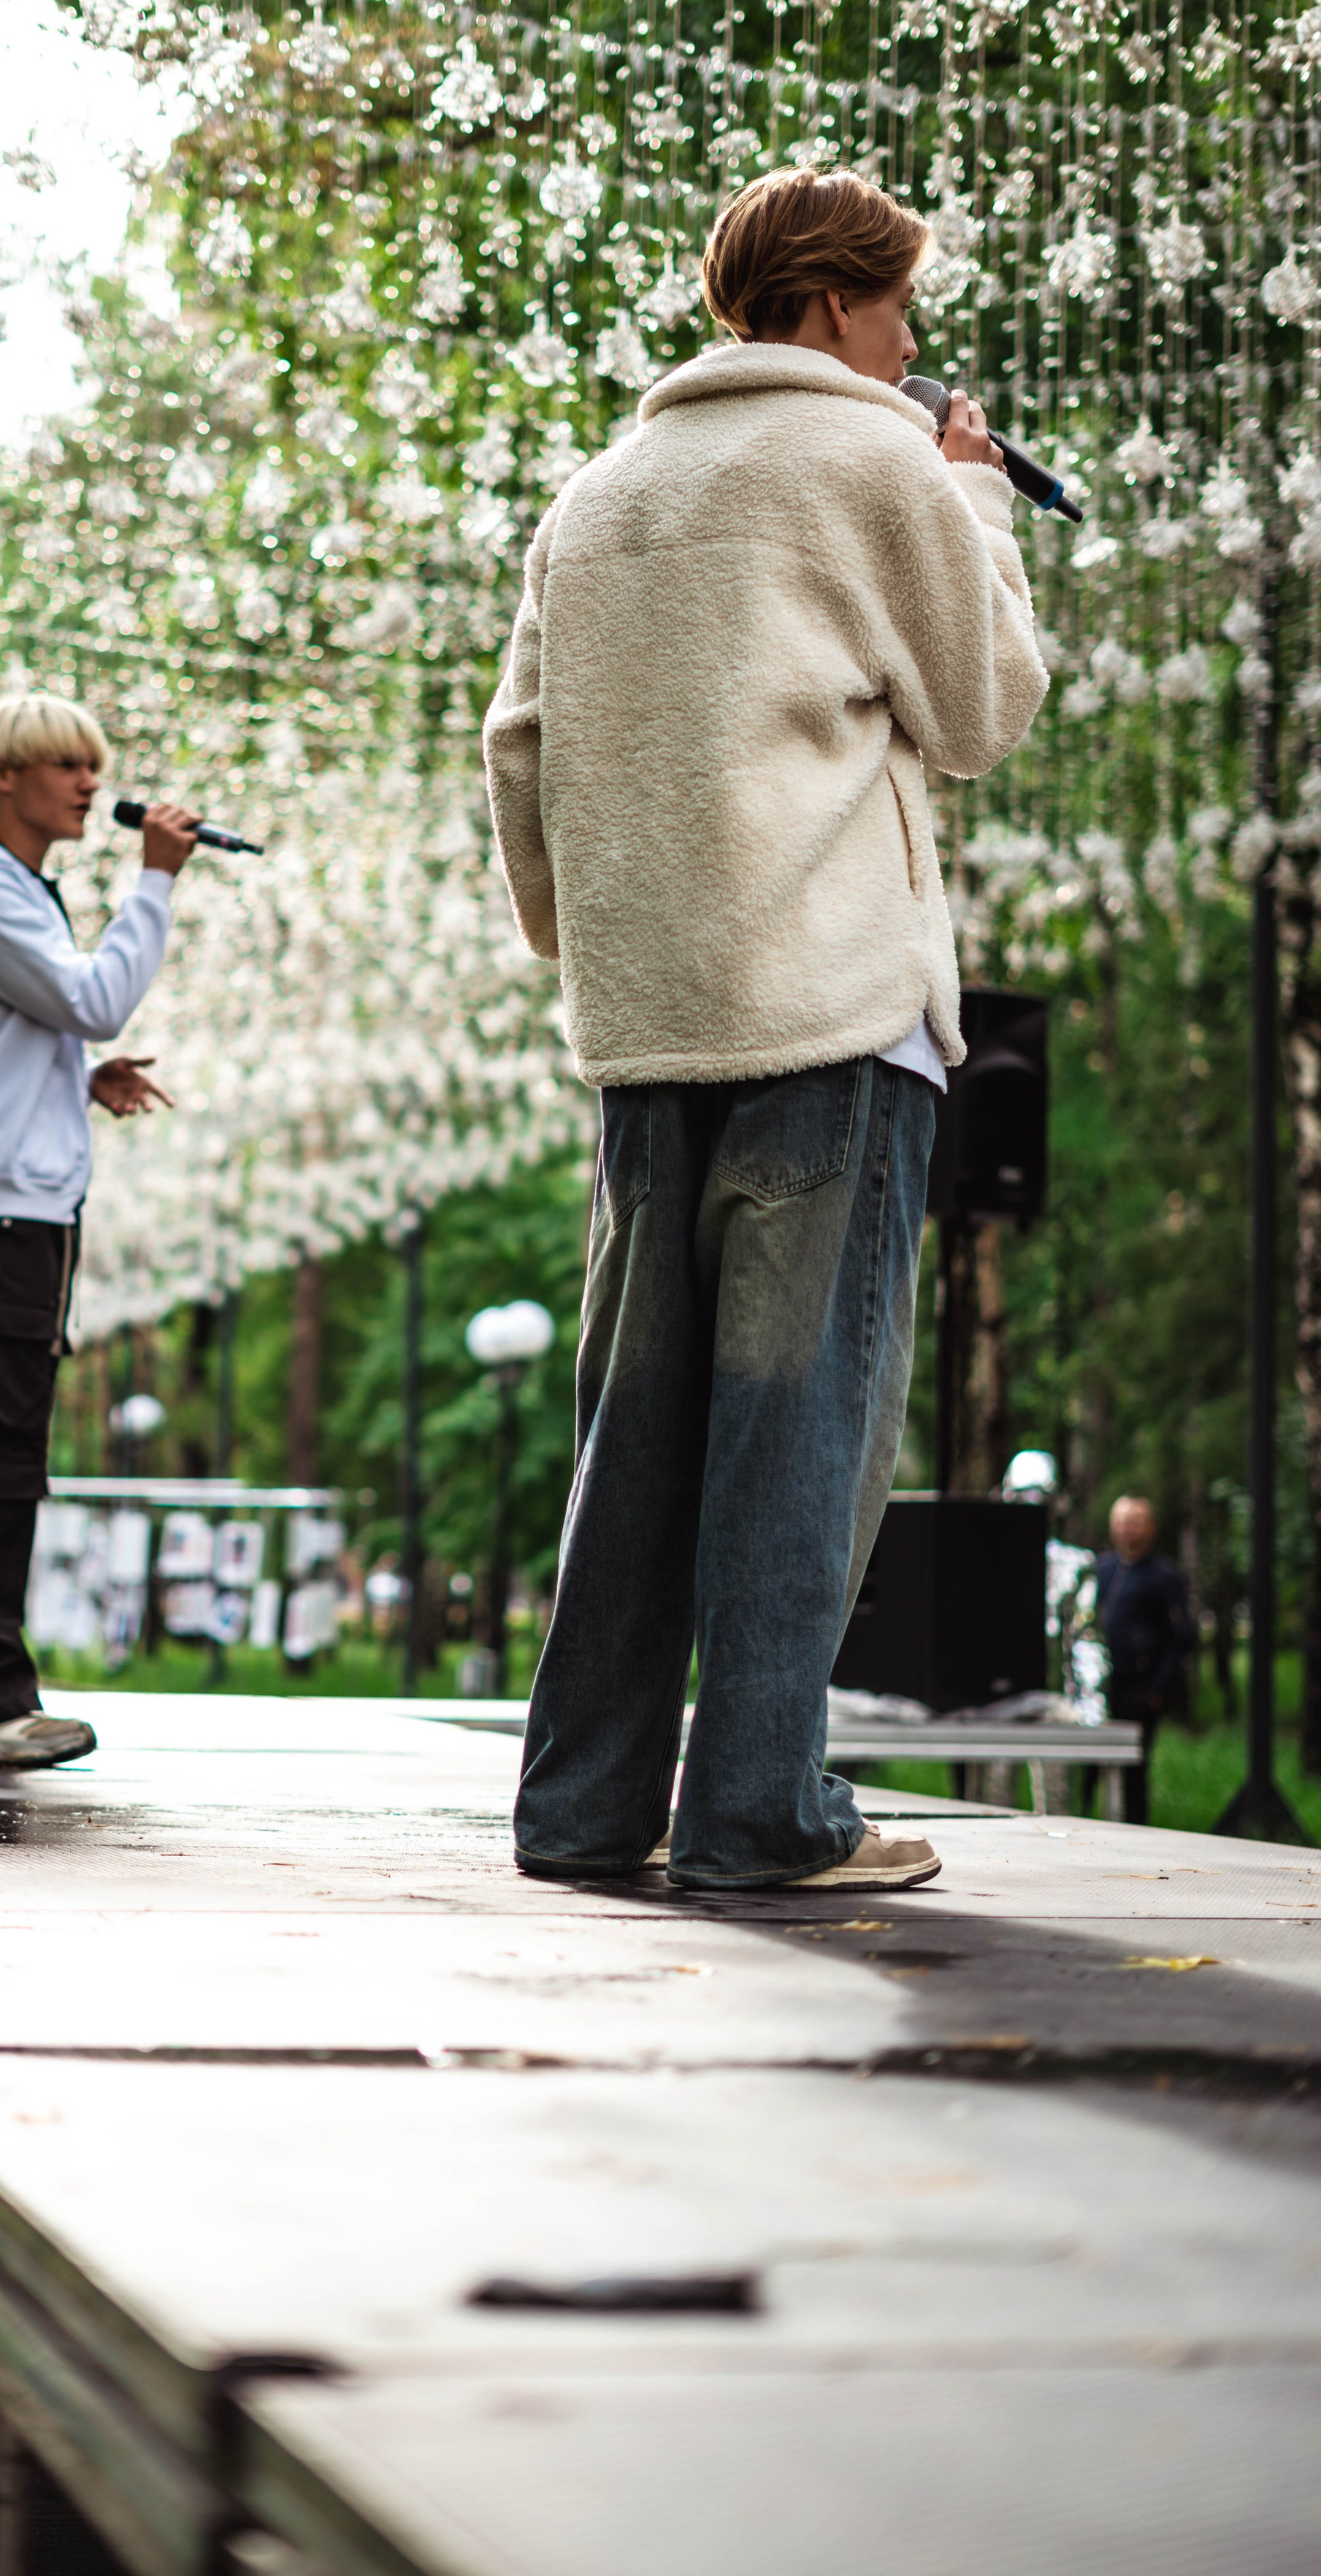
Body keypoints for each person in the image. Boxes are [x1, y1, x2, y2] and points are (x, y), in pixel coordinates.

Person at [484, 166, 1049, 1894]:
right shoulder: (876, 462)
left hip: (648, 1030)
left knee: (635, 1429)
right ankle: (756, 1809)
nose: (905, 340)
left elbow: (516, 749)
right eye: (894, 306)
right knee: (798, 1425)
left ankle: (581, 1807)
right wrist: (976, 503)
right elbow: (979, 710)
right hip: (829, 1008)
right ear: (826, 301)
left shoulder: (599, 492)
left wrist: (602, 946)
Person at [0, 691, 198, 1768]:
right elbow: (94, 997)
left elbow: (26, 1029)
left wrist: (75, 1077)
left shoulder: (6, 890)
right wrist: (156, 880)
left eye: (92, 764)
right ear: (0, 775)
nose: (89, 784)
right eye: (64, 763)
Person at [1092, 1496, 1194, 1823]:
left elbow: (1180, 1638)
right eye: (1122, 1520)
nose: (1128, 1527)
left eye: (1135, 1520)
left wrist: (1158, 1691)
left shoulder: (1165, 1576)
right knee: (1089, 1764)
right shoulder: (1100, 1569)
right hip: (1098, 1688)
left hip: (1140, 1689)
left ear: (1152, 1528)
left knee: (1134, 1769)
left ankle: (1135, 1830)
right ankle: (1084, 1824)